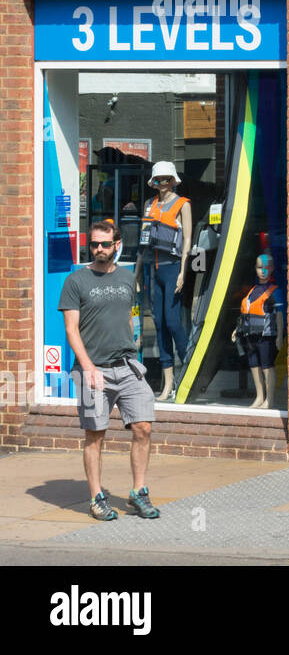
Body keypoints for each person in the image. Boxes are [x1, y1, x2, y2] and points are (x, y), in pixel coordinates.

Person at [59, 220, 160, 521]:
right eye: (94, 244)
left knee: (144, 427)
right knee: (96, 434)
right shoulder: (76, 281)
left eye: (104, 244)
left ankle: (138, 493)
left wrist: (134, 348)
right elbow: (71, 330)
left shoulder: (129, 279)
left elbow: (129, 318)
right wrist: (88, 367)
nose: (99, 249)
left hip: (127, 367)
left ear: (117, 244)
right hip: (93, 371)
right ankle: (97, 498)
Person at [135, 161, 192, 401]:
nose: (161, 184)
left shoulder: (182, 205)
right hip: (153, 269)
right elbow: (144, 242)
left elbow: (187, 240)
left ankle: (188, 370)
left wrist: (182, 272)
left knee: (173, 322)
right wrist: (137, 274)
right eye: (157, 180)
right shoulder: (149, 205)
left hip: (172, 269)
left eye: (165, 180)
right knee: (158, 324)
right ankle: (167, 384)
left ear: (173, 180)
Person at [231, 252, 285, 409]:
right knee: (254, 365)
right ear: (255, 268)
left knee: (267, 366)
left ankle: (270, 399)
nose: (263, 271)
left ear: (272, 269)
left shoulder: (275, 291)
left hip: (266, 336)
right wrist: (237, 329)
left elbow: (279, 316)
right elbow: (245, 312)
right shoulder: (252, 290)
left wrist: (279, 336)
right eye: (260, 267)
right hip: (250, 335)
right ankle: (259, 396)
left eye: (266, 268)